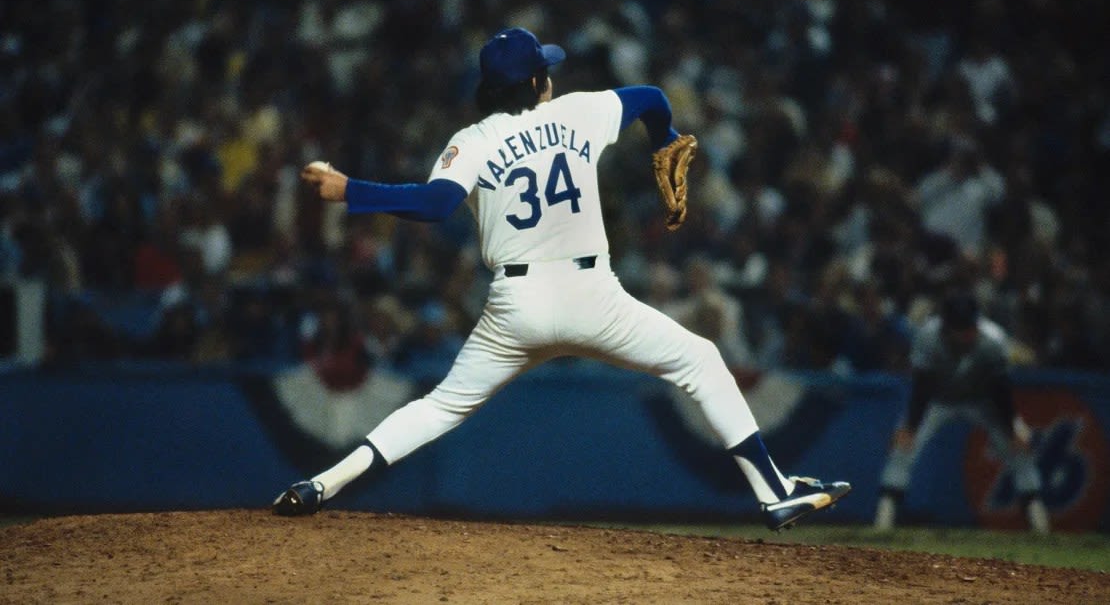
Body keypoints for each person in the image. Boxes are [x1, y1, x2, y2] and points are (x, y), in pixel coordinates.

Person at [272, 27, 850, 530]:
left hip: (514, 308)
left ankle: (323, 483)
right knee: (699, 360)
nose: (549, 76)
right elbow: (651, 97)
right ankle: (774, 491)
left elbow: (431, 205)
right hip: (593, 298)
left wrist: (349, 189)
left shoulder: (470, 142)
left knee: (440, 407)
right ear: (532, 84)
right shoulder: (579, 112)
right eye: (543, 70)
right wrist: (665, 137)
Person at [873, 290, 1050, 533]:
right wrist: (910, 427)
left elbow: (1001, 390)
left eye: (969, 326)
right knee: (903, 445)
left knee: (1018, 448)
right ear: (947, 326)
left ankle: (1038, 520)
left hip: (982, 401)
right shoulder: (929, 336)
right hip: (939, 400)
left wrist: (1012, 427)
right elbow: (922, 386)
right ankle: (884, 518)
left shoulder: (993, 340)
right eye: (960, 327)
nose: (967, 333)